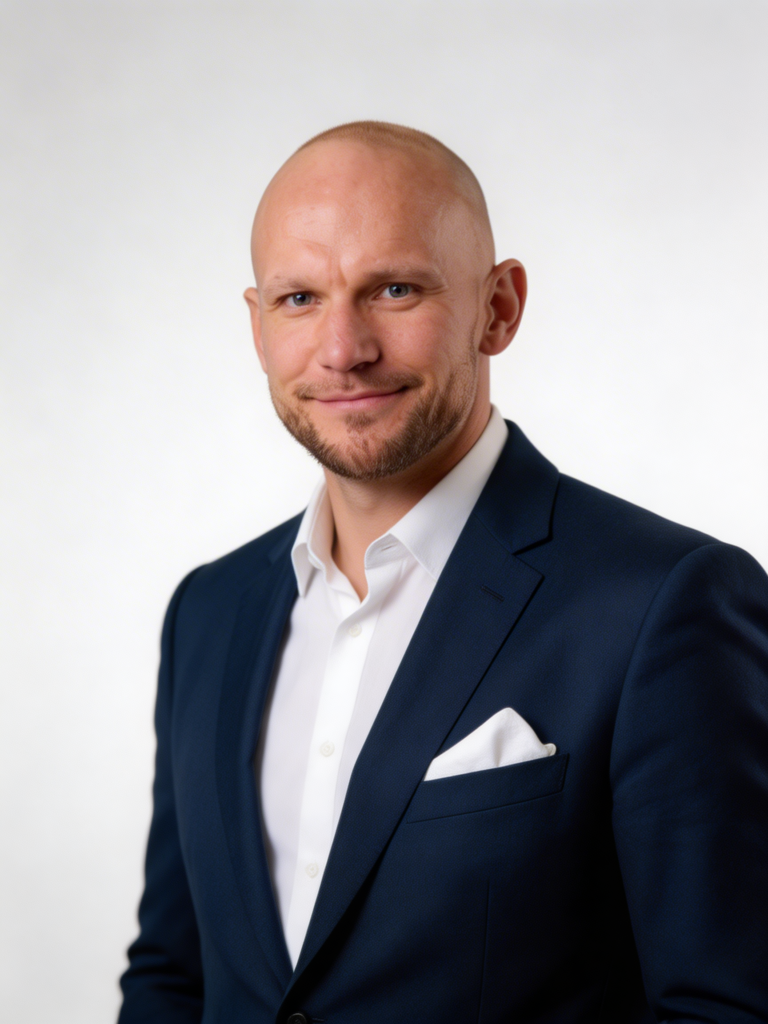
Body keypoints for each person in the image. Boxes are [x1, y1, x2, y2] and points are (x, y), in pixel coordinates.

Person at [118, 122, 768, 1024]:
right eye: (300, 298)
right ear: (258, 326)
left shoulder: (666, 603)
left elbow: (726, 1008)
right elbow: (172, 978)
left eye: (394, 289)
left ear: (498, 308)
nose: (343, 348)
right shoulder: (208, 612)